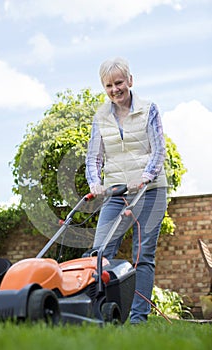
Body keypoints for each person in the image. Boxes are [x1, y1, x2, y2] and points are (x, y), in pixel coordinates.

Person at [85, 57, 168, 325]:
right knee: (99, 255)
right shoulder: (101, 117)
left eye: (119, 82)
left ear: (130, 81)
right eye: (108, 85)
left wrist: (146, 177)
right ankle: (102, 316)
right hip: (116, 193)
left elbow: (159, 150)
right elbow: (93, 158)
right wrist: (94, 182)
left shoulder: (148, 109)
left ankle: (138, 320)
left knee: (142, 257)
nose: (114, 89)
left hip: (151, 190)